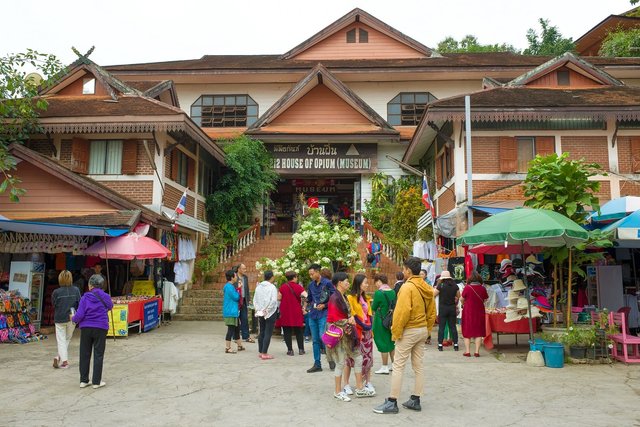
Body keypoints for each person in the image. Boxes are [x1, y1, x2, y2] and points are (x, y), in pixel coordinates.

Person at [373, 256, 436, 414]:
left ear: (408, 270)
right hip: (422, 329)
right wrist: (427, 329)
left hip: (410, 330)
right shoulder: (425, 286)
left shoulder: (407, 288)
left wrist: (396, 332)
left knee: (398, 366)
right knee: (418, 366)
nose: (402, 271)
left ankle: (392, 401)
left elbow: (401, 313)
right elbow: (431, 311)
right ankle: (416, 399)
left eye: (403, 269)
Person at [327, 272, 375, 402]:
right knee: (341, 363)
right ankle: (338, 391)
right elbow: (332, 319)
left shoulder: (342, 296)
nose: (348, 283)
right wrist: (348, 320)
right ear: (339, 283)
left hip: (348, 335)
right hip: (340, 336)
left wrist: (350, 319)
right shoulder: (335, 298)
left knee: (358, 358)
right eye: (346, 281)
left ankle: (359, 388)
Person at [71, 274, 113, 389]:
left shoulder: (85, 297)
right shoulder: (106, 296)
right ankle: (96, 382)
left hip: (86, 328)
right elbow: (110, 306)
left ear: (91, 285)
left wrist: (73, 319)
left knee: (84, 353)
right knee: (98, 354)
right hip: (101, 327)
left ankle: (83, 381)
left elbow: (79, 315)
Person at [343, 274, 375, 396]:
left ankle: (367, 381)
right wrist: (363, 325)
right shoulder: (350, 298)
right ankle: (346, 384)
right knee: (350, 359)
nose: (367, 285)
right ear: (359, 283)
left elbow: (370, 313)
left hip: (367, 333)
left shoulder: (366, 298)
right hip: (356, 333)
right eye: (365, 283)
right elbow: (353, 314)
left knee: (368, 358)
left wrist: (369, 325)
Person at [305, 264, 336, 372]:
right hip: (313, 314)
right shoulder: (310, 285)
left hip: (324, 314)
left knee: (323, 337)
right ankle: (317, 363)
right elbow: (309, 299)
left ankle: (331, 359)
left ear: (318, 272)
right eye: (309, 274)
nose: (311, 276)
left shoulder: (328, 283)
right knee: (315, 340)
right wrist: (306, 307)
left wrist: (325, 305)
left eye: (312, 274)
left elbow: (334, 297)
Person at [52, 270, 81, 369]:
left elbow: (54, 304)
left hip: (59, 318)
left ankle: (64, 361)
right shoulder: (76, 290)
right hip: (72, 318)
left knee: (61, 340)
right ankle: (59, 357)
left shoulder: (56, 292)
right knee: (67, 339)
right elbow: (79, 303)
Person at [460, 271, 489, 357]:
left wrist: (463, 303)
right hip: (479, 311)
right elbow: (486, 299)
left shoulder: (467, 288)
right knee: (479, 331)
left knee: (467, 330)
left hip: (468, 311)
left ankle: (468, 351)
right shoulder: (482, 288)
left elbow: (461, 298)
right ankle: (477, 352)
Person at [278, 271, 307, 356]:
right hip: (296, 310)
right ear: (294, 277)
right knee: (299, 330)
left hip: (285, 310)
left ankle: (290, 350)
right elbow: (306, 296)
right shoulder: (299, 287)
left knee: (287, 330)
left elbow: (278, 297)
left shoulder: (283, 287)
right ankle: (301, 349)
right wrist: (303, 306)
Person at [372, 273, 396, 375]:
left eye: (376, 282)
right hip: (391, 320)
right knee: (391, 343)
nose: (376, 285)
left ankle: (384, 366)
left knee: (382, 343)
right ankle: (394, 365)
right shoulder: (393, 292)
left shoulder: (378, 293)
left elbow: (373, 307)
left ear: (379, 281)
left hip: (380, 320)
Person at [253, 270, 279, 360]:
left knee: (262, 332)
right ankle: (264, 353)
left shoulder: (258, 287)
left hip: (260, 312)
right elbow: (273, 301)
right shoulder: (272, 287)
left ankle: (261, 351)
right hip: (270, 313)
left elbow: (255, 300)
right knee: (268, 332)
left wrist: (258, 309)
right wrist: (267, 310)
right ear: (271, 277)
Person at [433, 270, 461, 352]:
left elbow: (434, 294)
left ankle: (440, 345)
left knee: (441, 327)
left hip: (443, 308)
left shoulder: (441, 285)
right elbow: (458, 296)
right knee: (453, 327)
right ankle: (455, 345)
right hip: (452, 308)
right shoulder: (455, 285)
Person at [223, 270, 244, 354]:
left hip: (233, 311)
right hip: (230, 311)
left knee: (236, 328)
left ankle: (239, 345)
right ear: (232, 277)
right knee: (231, 329)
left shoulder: (229, 286)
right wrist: (239, 288)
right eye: (235, 276)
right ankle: (227, 347)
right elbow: (236, 297)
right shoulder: (229, 287)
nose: (236, 277)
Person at [235, 263, 254, 343]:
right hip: (236, 300)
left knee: (244, 318)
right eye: (243, 268)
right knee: (235, 319)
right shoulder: (234, 277)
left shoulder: (245, 277)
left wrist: (248, 299)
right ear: (239, 269)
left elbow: (247, 289)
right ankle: (235, 336)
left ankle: (246, 336)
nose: (245, 270)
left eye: (245, 268)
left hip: (244, 300)